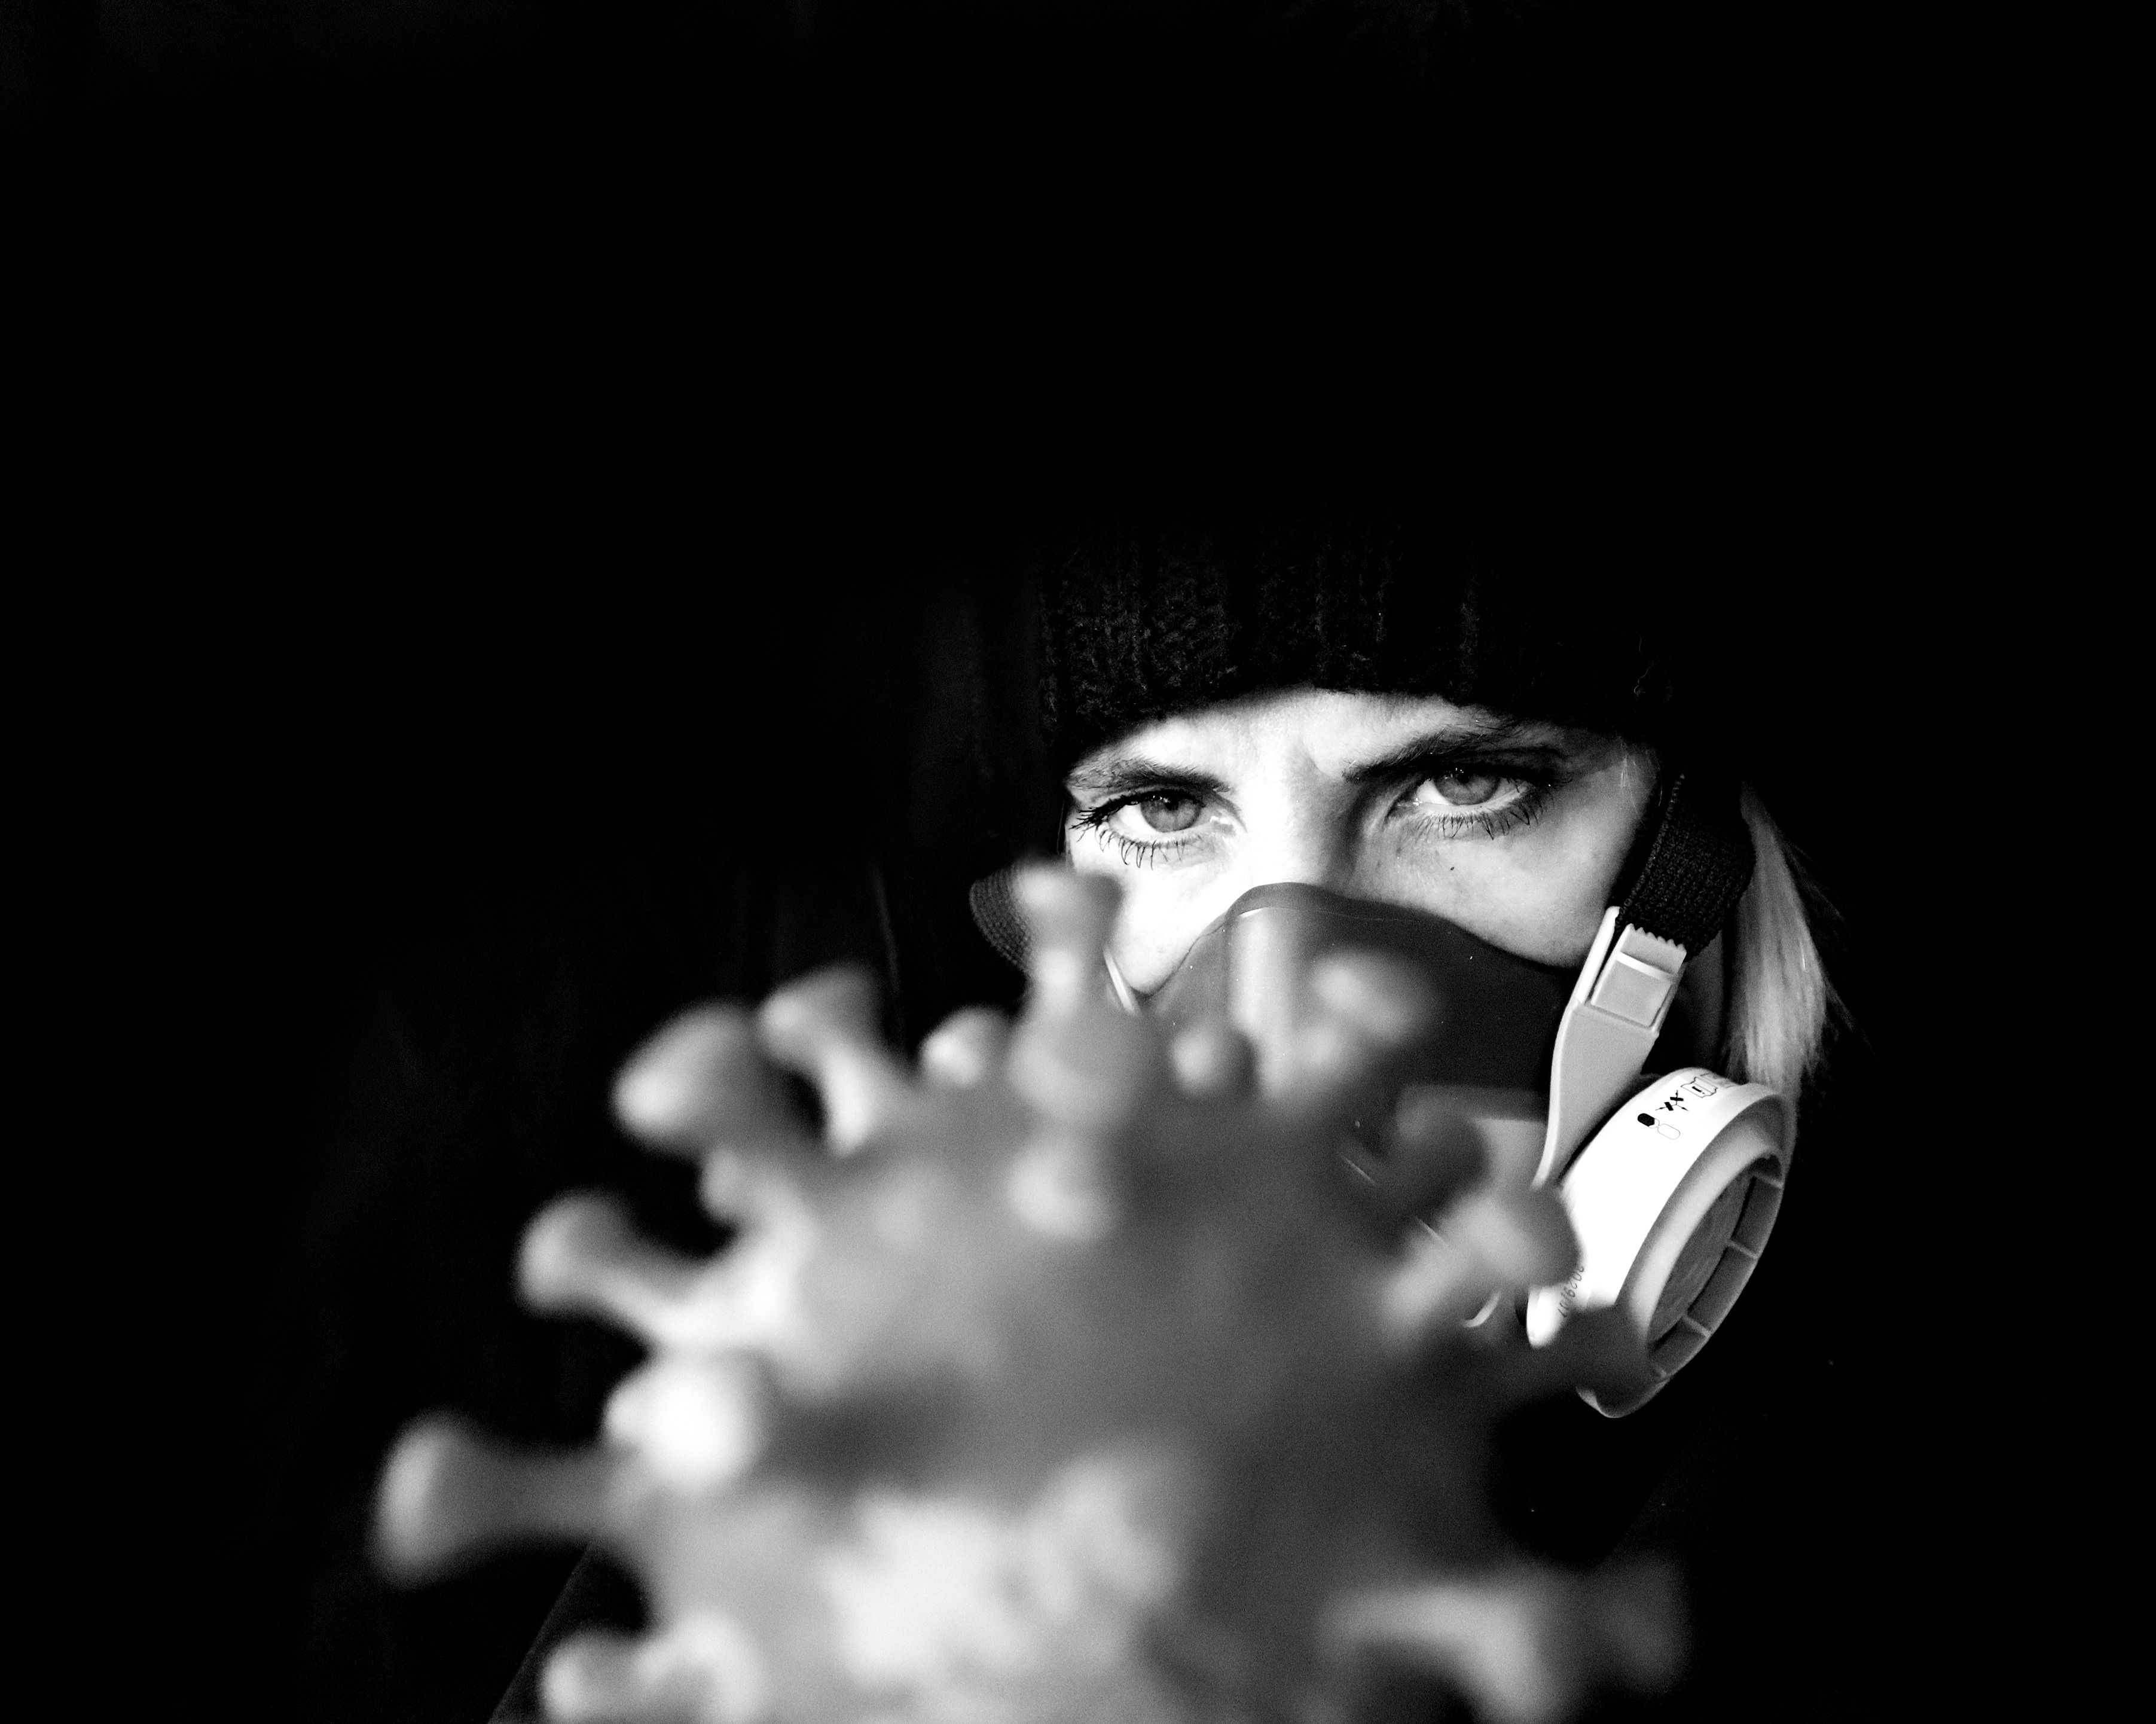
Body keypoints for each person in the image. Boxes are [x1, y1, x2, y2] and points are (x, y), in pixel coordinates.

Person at [457, 512, 1871, 1722]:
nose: (1285, 984)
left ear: (1692, 858)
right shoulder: (837, 1459)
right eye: (1158, 808)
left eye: (1466, 783)